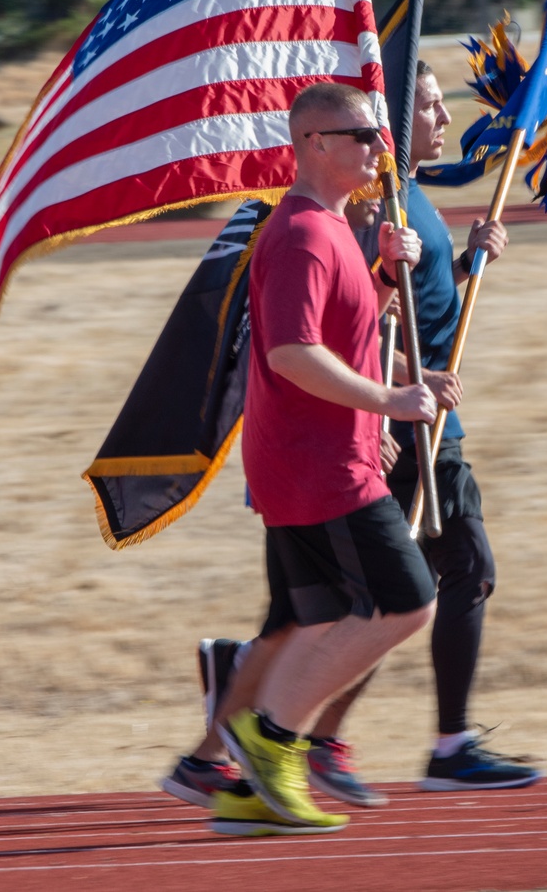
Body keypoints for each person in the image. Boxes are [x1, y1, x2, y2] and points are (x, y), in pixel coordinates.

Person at [205, 80, 438, 837]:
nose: (379, 144)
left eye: (377, 132)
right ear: (314, 144)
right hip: (320, 466)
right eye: (363, 133)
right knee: (409, 599)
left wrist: (402, 355)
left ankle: (248, 792)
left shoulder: (335, 227)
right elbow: (292, 352)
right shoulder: (303, 232)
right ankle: (271, 737)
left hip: (319, 459)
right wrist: (389, 402)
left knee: (321, 616)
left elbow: (337, 335)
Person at [382, 59, 541, 791]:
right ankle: (449, 746)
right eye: (432, 106)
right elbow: (369, 321)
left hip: (432, 413)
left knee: (366, 595)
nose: (446, 119)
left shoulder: (412, 194)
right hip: (416, 422)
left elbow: (433, 307)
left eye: (445, 106)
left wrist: (474, 264)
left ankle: (247, 685)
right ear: (392, 113)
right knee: (460, 572)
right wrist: (402, 387)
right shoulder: (384, 206)